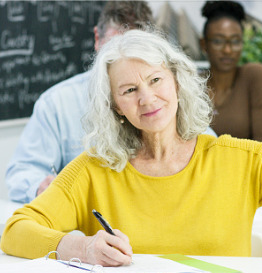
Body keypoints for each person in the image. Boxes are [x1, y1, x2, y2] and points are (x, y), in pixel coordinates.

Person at [1, 22, 262, 266]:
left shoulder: (236, 159)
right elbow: (15, 231)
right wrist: (79, 246)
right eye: (129, 90)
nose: (147, 97)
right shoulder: (94, 169)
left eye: (156, 79)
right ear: (115, 107)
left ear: (177, 83)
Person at [4, 1, 157, 204]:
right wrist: (41, 186)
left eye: (134, 51)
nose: (121, 60)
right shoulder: (57, 103)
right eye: (112, 47)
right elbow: (22, 172)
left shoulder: (162, 99)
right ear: (97, 38)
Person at [200, 1, 262, 143]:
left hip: (248, 165)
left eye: (235, 42)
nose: (227, 50)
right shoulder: (192, 85)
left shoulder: (254, 76)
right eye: (218, 41)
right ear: (204, 44)